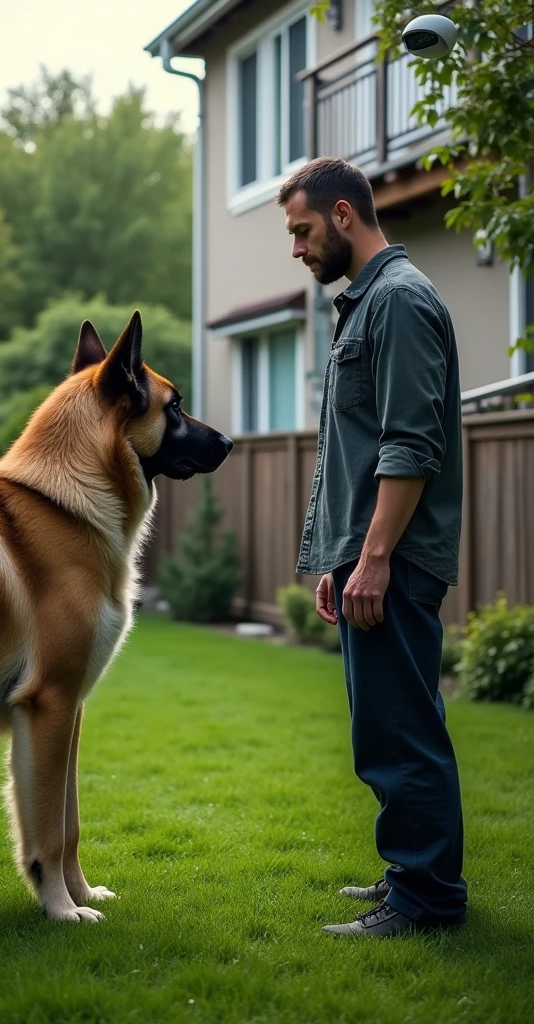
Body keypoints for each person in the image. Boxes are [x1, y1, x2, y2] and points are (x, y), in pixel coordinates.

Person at [277, 157, 467, 938]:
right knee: (385, 728)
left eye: (301, 230)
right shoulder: (364, 305)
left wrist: (379, 557)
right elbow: (356, 443)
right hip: (369, 558)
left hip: (397, 560)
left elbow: (410, 444)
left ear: (344, 215)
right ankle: (409, 875)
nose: (296, 248)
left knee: (403, 733)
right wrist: (342, 557)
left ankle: (425, 901)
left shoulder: (399, 301)